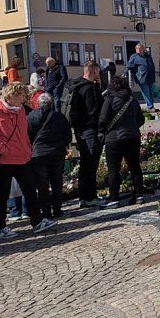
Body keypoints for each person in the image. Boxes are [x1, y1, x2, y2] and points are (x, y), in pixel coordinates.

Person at [0, 83, 57, 239]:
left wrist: (27, 149)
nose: (24, 98)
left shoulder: (20, 110)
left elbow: (23, 133)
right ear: (11, 96)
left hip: (22, 158)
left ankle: (37, 222)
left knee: (30, 190)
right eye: (21, 95)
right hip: (3, 161)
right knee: (2, 194)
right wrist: (3, 149)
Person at [99, 76, 146, 207]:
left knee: (114, 169)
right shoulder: (133, 100)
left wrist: (103, 131)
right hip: (133, 137)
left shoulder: (109, 100)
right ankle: (139, 196)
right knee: (135, 166)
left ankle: (114, 199)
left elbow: (102, 119)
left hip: (114, 138)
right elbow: (141, 119)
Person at [66, 60, 104, 208]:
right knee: (91, 164)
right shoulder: (90, 88)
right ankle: (90, 197)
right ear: (94, 71)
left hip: (79, 130)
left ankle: (83, 197)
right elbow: (94, 112)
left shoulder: (75, 86)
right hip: (90, 130)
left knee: (84, 163)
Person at [26, 93, 71, 219]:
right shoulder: (59, 116)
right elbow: (67, 134)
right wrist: (63, 145)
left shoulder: (31, 117)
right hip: (57, 153)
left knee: (42, 184)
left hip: (38, 154)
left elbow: (27, 135)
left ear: (38, 104)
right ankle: (57, 209)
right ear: (51, 104)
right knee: (57, 182)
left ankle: (45, 211)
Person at [127, 44, 157, 111]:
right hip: (141, 78)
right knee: (146, 92)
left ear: (143, 49)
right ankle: (150, 106)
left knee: (151, 92)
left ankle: (152, 106)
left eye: (140, 48)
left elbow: (152, 65)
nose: (138, 50)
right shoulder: (134, 57)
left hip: (150, 77)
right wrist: (125, 73)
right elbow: (129, 66)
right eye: (137, 49)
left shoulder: (148, 56)